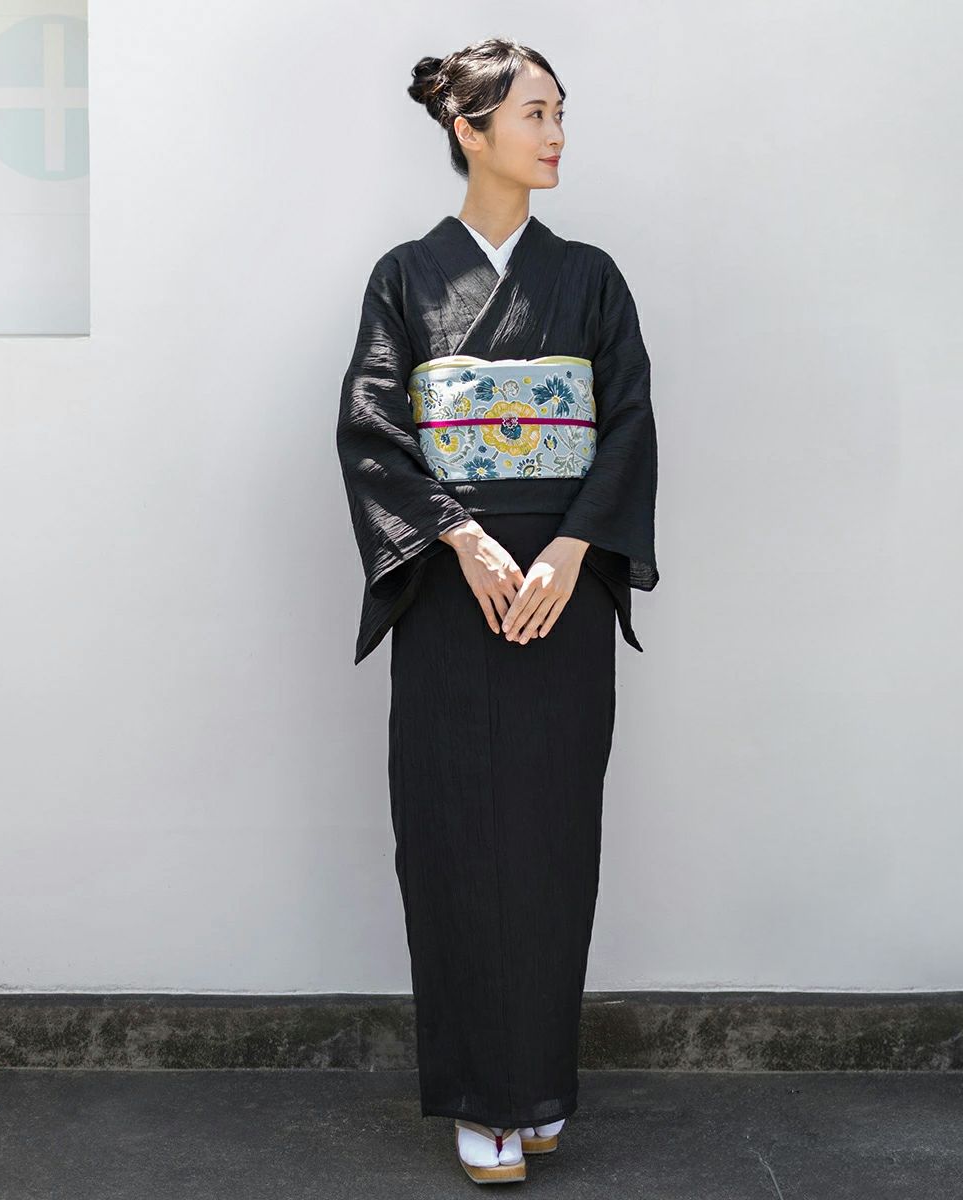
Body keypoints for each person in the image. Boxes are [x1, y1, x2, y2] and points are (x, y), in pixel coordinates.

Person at [336, 37, 659, 1185]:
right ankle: (482, 1099)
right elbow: (373, 429)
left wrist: (572, 548)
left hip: (561, 596)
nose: (556, 134)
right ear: (468, 130)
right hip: (451, 595)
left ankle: (539, 1087)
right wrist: (461, 537)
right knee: (455, 840)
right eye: (534, 114)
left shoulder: (591, 279)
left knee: (554, 841)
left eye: (561, 112)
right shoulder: (406, 278)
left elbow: (627, 422)